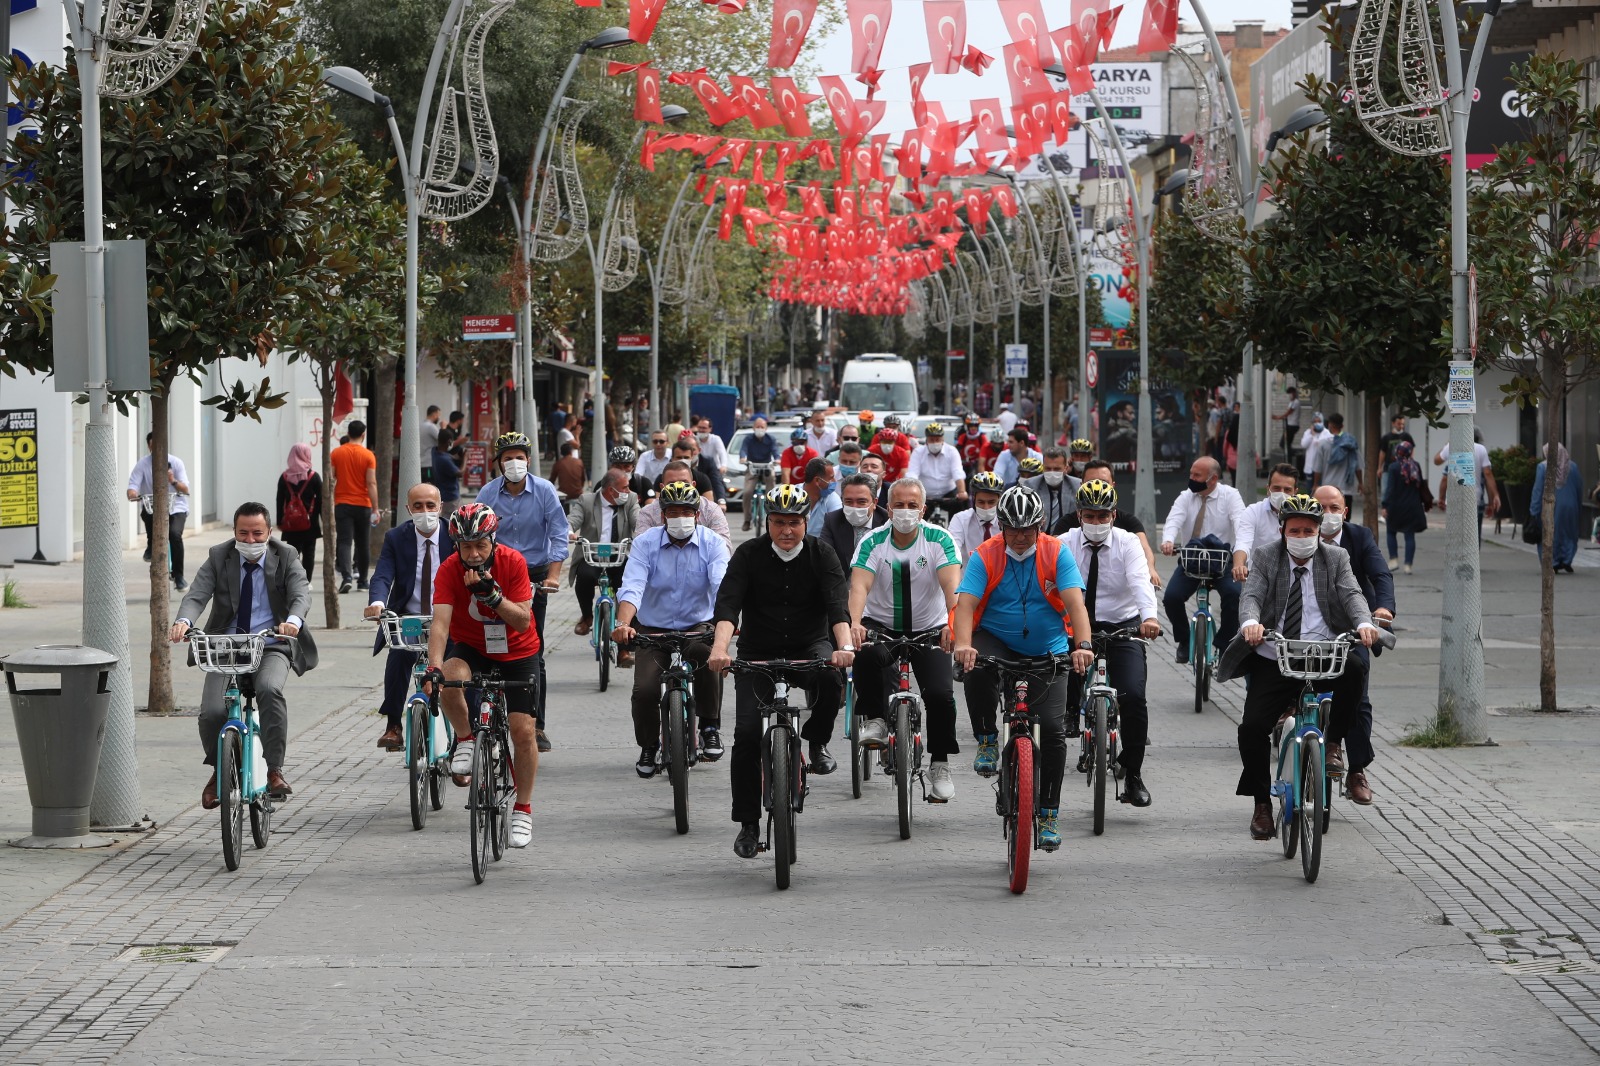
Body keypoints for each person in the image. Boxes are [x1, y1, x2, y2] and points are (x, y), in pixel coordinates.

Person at [1216, 493, 1380, 840]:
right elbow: (1252, 596)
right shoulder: (1265, 556)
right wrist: (1250, 623)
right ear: (1282, 530)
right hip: (1276, 657)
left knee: (1356, 670)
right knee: (1252, 728)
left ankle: (1333, 743)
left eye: (1309, 530)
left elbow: (1352, 595)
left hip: (1323, 654)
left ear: (1320, 531)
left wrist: (1364, 622)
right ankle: (1262, 805)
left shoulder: (1336, 557)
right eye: (1295, 530)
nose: (1302, 536)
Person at [707, 485, 855, 859]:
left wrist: (844, 649)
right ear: (767, 522)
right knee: (744, 736)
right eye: (778, 523)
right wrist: (720, 650)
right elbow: (728, 607)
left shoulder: (823, 554)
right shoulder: (748, 554)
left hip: (810, 645)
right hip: (758, 652)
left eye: (793, 522)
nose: (786, 530)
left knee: (830, 679)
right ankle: (748, 824)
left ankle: (817, 741)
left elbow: (838, 608)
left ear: (806, 522)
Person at [952, 486, 1094, 851]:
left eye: (1027, 530)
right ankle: (986, 739)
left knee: (1052, 731)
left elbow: (1076, 605)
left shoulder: (1056, 552)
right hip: (996, 640)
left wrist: (1083, 646)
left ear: (1040, 526)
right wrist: (964, 644)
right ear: (1000, 525)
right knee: (976, 665)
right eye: (1011, 530)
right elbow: (965, 605)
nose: (1018, 538)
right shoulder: (985, 554)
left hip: (1049, 647)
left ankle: (1048, 814)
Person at [172, 502, 318, 808]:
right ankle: (218, 771)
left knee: (269, 689)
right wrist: (184, 621)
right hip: (226, 646)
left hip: (273, 642)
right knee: (212, 711)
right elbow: (197, 594)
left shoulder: (286, 555)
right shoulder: (219, 556)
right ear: (234, 532)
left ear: (269, 532)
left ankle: (275, 770)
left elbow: (300, 593)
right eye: (243, 533)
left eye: (257, 533)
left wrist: (292, 621)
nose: (250, 541)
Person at [425, 503, 541, 849]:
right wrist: (433, 664)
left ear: (493, 540)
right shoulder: (448, 570)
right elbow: (441, 625)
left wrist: (492, 596)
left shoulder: (513, 562)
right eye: (465, 547)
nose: (473, 554)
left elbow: (521, 619)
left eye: (481, 545)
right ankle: (465, 738)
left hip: (519, 652)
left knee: (523, 731)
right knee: (448, 675)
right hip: (473, 647)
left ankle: (523, 807)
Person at [848, 477, 963, 802]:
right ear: (887, 508)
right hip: (881, 627)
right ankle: (875, 720)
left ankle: (939, 764)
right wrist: (854, 623)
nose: (905, 511)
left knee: (941, 695)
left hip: (930, 629)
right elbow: (859, 587)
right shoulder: (873, 541)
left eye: (912, 506)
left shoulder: (939, 539)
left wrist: (952, 625)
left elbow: (951, 588)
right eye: (899, 505)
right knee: (865, 655)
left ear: (923, 509)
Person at [614, 480, 731, 775]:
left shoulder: (713, 543)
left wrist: (726, 627)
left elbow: (722, 588)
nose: (680, 516)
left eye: (686, 511)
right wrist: (623, 624)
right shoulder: (645, 543)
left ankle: (709, 726)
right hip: (653, 629)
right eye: (673, 511)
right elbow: (632, 587)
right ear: (663, 514)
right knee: (645, 689)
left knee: (706, 657)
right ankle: (649, 746)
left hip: (698, 624)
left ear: (698, 514)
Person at [1061, 479, 1161, 807]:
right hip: (1075, 628)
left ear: (1114, 515)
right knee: (1050, 687)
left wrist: (1149, 618)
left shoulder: (1128, 542)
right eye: (1090, 515)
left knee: (1133, 696)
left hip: (1122, 627)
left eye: (1103, 516)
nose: (1097, 522)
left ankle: (1133, 775)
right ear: (1079, 515)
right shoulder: (1062, 543)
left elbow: (1139, 581)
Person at [476, 431, 568, 751]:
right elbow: (477, 535)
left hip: (534, 576)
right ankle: (483, 718)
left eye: (519, 457)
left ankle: (536, 724)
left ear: (528, 460)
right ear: (498, 463)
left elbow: (558, 535)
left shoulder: (544, 491)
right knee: (483, 646)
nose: (513, 463)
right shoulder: (487, 492)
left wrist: (553, 577)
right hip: (495, 573)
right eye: (507, 458)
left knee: (532, 650)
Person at [1313, 485, 1393, 806]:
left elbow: (1380, 574)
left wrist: (1383, 608)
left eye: (1335, 508)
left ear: (1345, 512)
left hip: (1355, 628)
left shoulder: (1360, 537)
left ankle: (1357, 770)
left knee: (1359, 694)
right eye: (1322, 507)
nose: (1329, 514)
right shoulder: (1300, 536)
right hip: (1310, 629)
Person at [363, 483, 454, 751]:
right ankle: (393, 725)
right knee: (400, 654)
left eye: (430, 505)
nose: (424, 511)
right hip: (410, 616)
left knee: (460, 667)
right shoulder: (396, 537)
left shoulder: (455, 534)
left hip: (449, 618)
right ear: (407, 509)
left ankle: (466, 734)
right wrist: (377, 603)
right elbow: (382, 574)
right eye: (417, 506)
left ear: (440, 507)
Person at [1159, 457, 1244, 664]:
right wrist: (1168, 540)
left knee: (1234, 596)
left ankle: (1225, 644)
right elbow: (1173, 519)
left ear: (1213, 479)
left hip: (1222, 560)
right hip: (1192, 559)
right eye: (1191, 474)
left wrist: (1241, 553)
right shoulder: (1186, 497)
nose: (1191, 479)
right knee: (1171, 598)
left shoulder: (1231, 496)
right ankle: (1185, 641)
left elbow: (1241, 524)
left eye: (1197, 475)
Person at [1053, 459, 1161, 586]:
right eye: (1091, 482)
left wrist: (1150, 569)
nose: (1097, 487)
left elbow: (1144, 548)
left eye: (1104, 483)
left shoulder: (1128, 522)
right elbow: (1054, 552)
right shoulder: (1067, 523)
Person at [568, 468, 641, 640]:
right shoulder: (587, 500)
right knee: (584, 577)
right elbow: (571, 520)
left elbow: (638, 521)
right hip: (592, 555)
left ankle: (625, 640)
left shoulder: (630, 499)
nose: (627, 491)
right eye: (624, 488)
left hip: (620, 556)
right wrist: (569, 532)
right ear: (610, 490)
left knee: (629, 588)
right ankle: (587, 617)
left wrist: (641, 536)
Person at [127, 431, 191, 589]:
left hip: (177, 507)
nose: (156, 449)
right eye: (152, 446)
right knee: (146, 513)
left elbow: (185, 489)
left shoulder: (176, 463)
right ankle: (150, 546)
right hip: (153, 505)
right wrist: (133, 493)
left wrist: (173, 481)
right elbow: (132, 486)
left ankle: (179, 576)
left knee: (174, 535)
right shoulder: (143, 464)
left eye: (160, 446)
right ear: (149, 446)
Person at [330, 419, 379, 594]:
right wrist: (375, 507)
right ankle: (363, 581)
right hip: (363, 504)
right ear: (363, 435)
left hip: (342, 503)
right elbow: (371, 482)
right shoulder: (368, 456)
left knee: (344, 541)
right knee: (363, 543)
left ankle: (347, 577)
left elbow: (332, 478)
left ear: (348, 433)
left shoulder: (336, 453)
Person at [1231, 464, 1302, 581]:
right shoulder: (1253, 512)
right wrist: (1239, 565)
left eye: (1287, 490)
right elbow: (1243, 542)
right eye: (1276, 488)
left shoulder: (1303, 515)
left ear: (1295, 492)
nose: (1282, 493)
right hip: (1259, 579)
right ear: (1268, 489)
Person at [636, 460, 732, 545]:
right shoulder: (648, 513)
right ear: (662, 487)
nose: (678, 488)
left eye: (684, 483)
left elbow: (723, 547)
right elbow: (641, 547)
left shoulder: (711, 510)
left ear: (693, 485)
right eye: (671, 484)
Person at [1433, 429, 1500, 545]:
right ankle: (1472, 562)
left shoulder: (1452, 447)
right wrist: (1493, 498)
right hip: (1475, 499)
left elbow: (1437, 461)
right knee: (1474, 538)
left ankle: (1457, 560)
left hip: (1455, 500)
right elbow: (1488, 475)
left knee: (1456, 537)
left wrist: (1441, 498)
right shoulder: (1481, 449)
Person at [1532, 443, 1584, 574]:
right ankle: (1566, 560)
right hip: (1571, 507)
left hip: (1551, 506)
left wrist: (1534, 510)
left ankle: (1552, 562)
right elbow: (1579, 488)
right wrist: (1579, 507)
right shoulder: (1573, 467)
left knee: (1549, 533)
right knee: (1569, 534)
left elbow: (1538, 491)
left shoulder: (1543, 467)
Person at [820, 472, 888, 570]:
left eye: (861, 502)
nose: (854, 507)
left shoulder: (887, 521)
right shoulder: (833, 520)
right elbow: (824, 558)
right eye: (848, 502)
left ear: (874, 503)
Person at [274, 442, 321, 579]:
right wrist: (321, 519)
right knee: (309, 552)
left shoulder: (284, 477)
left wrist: (279, 520)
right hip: (310, 522)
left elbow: (279, 499)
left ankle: (293, 579)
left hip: (290, 522)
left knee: (292, 552)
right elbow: (321, 500)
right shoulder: (314, 476)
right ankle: (307, 581)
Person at [1382, 441, 1429, 573]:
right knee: (1409, 535)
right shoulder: (1416, 466)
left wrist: (1385, 505)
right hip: (1412, 506)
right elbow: (1420, 487)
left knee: (1391, 532)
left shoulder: (1394, 467)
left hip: (1396, 506)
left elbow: (1390, 489)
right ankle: (1408, 565)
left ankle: (1393, 560)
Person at [906, 422, 968, 516]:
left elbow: (957, 473)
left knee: (961, 514)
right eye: (931, 439)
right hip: (926, 494)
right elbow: (912, 474)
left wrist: (962, 492)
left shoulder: (952, 451)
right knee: (915, 520)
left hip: (948, 493)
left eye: (937, 439)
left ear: (943, 439)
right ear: (926, 440)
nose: (935, 442)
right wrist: (911, 492)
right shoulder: (918, 452)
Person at [949, 471, 1003, 561]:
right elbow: (952, 549)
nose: (986, 507)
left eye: (991, 502)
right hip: (968, 574)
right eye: (981, 502)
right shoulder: (960, 519)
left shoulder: (1008, 521)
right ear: (974, 500)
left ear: (1000, 500)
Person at [1313, 413, 1361, 512]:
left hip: (1328, 489)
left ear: (1329, 425)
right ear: (1342, 426)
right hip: (1346, 489)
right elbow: (1356, 465)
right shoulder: (1351, 443)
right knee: (1345, 519)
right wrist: (1361, 483)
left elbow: (1318, 468)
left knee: (1326, 517)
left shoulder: (1323, 444)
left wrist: (1316, 484)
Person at [1021, 447, 1078, 530]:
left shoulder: (1077, 486)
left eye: (1057, 469)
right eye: (1048, 468)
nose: (1052, 472)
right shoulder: (1030, 486)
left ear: (1065, 468)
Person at [675, 434, 725, 503]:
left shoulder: (707, 465)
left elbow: (716, 482)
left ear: (699, 450)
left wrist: (721, 500)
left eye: (692, 449)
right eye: (685, 449)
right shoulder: (670, 469)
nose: (689, 452)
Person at [803, 457, 841, 536]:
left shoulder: (833, 499)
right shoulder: (792, 495)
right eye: (831, 478)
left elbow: (836, 529)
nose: (834, 481)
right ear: (817, 481)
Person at [430, 440, 461, 515]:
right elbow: (460, 474)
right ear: (448, 442)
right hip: (451, 497)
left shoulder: (434, 451)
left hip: (442, 495)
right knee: (454, 521)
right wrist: (466, 459)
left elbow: (446, 455)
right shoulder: (445, 460)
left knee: (444, 520)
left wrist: (455, 457)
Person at [1300, 413, 1331, 486]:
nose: (1317, 423)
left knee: (1320, 491)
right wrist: (1311, 434)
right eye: (1315, 422)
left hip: (1321, 469)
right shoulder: (1308, 432)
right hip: (1309, 467)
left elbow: (1319, 445)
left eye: (1319, 421)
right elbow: (1303, 445)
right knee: (1310, 491)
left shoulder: (1327, 433)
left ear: (1322, 422)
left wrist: (1314, 436)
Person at [1272, 385, 1300, 462]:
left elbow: (1289, 412)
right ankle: (1290, 457)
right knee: (1286, 444)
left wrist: (1278, 417)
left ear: (1294, 393)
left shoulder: (1296, 402)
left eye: (1291, 393)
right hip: (1289, 425)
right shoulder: (1291, 402)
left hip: (1292, 426)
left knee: (1284, 444)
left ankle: (1292, 457)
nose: (1290, 395)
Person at [421, 405, 442, 480]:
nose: (439, 418)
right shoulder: (431, 427)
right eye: (438, 415)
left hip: (421, 464)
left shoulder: (420, 425)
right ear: (434, 414)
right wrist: (444, 428)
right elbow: (443, 441)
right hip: (429, 463)